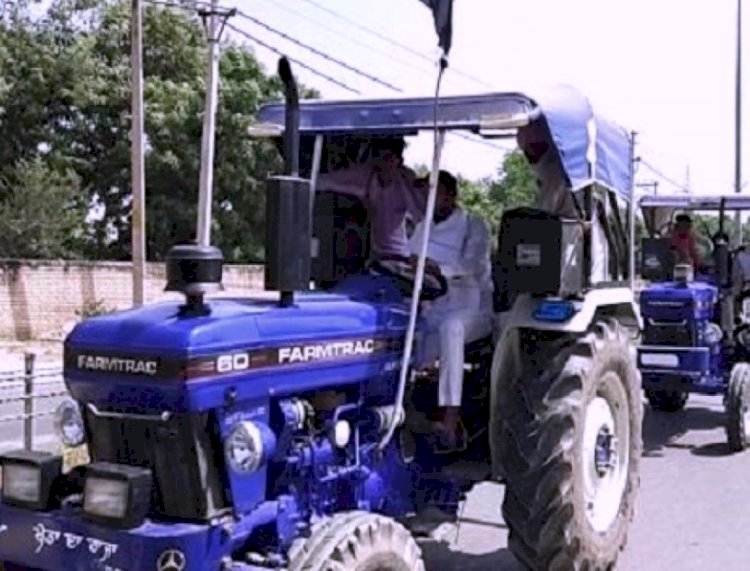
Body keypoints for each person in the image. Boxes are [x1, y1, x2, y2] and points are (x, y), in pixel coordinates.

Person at [409, 170, 494, 452]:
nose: (429, 200)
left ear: (451, 195)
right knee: (400, 326)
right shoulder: (422, 227)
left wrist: (435, 269)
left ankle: (450, 416)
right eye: (425, 194)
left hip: (472, 310)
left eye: (435, 193)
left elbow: (471, 268)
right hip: (434, 307)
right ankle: (404, 407)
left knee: (451, 329)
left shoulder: (473, 225)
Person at [516, 119, 610, 283]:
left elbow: (539, 218)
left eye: (530, 147)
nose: (528, 154)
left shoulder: (557, 172)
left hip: (572, 258)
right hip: (568, 253)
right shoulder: (554, 170)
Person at [316, 138, 428, 262]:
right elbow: (325, 181)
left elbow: (420, 214)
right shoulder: (365, 176)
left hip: (397, 254)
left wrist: (409, 183)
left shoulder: (403, 184)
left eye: (390, 158)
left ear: (399, 161)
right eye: (381, 157)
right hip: (369, 254)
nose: (384, 164)